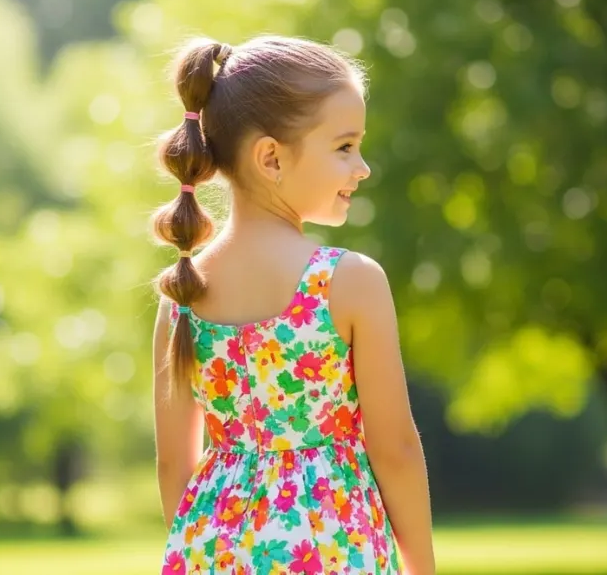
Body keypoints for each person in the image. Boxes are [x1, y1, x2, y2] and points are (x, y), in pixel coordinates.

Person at [151, 35, 435, 575]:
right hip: (330, 547)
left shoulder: (182, 294)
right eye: (345, 147)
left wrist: (199, 550)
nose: (362, 167)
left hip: (211, 550)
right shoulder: (349, 281)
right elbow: (394, 447)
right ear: (272, 158)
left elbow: (172, 465)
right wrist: (421, 566)